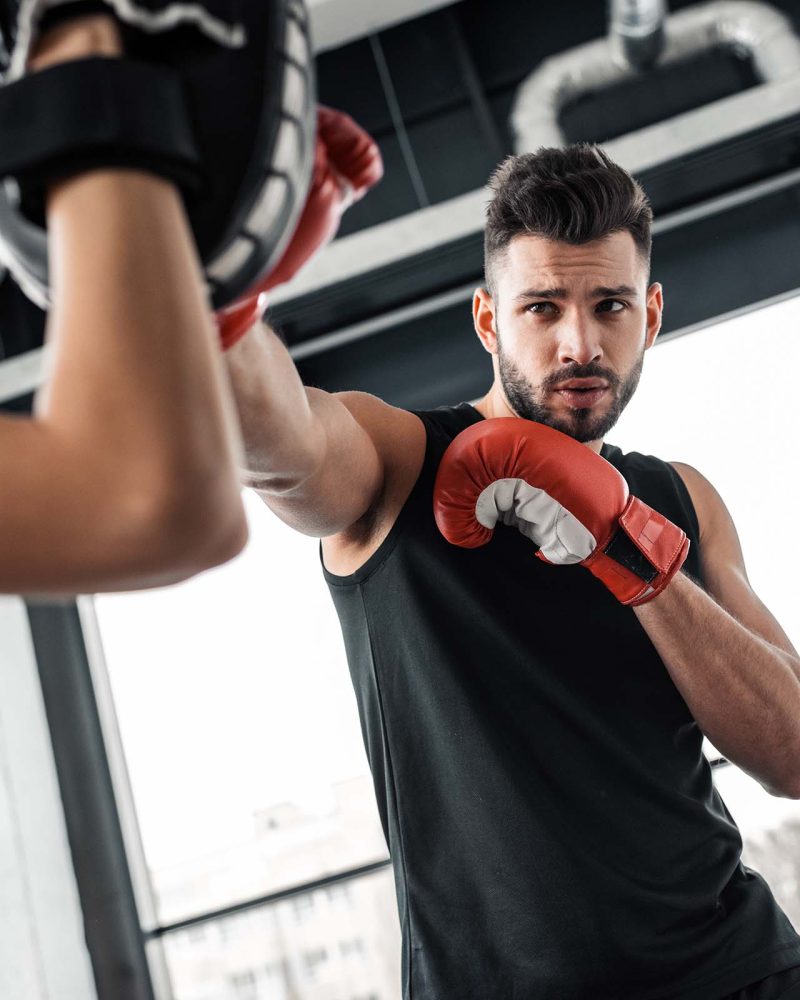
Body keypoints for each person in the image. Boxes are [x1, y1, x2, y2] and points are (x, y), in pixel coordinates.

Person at [225, 144, 800, 999]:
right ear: (490, 321)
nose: (580, 343)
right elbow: (282, 449)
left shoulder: (679, 498)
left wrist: (630, 549)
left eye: (610, 306)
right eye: (541, 308)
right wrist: (222, 304)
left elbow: (790, 753)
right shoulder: (399, 461)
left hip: (737, 972)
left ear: (651, 313)